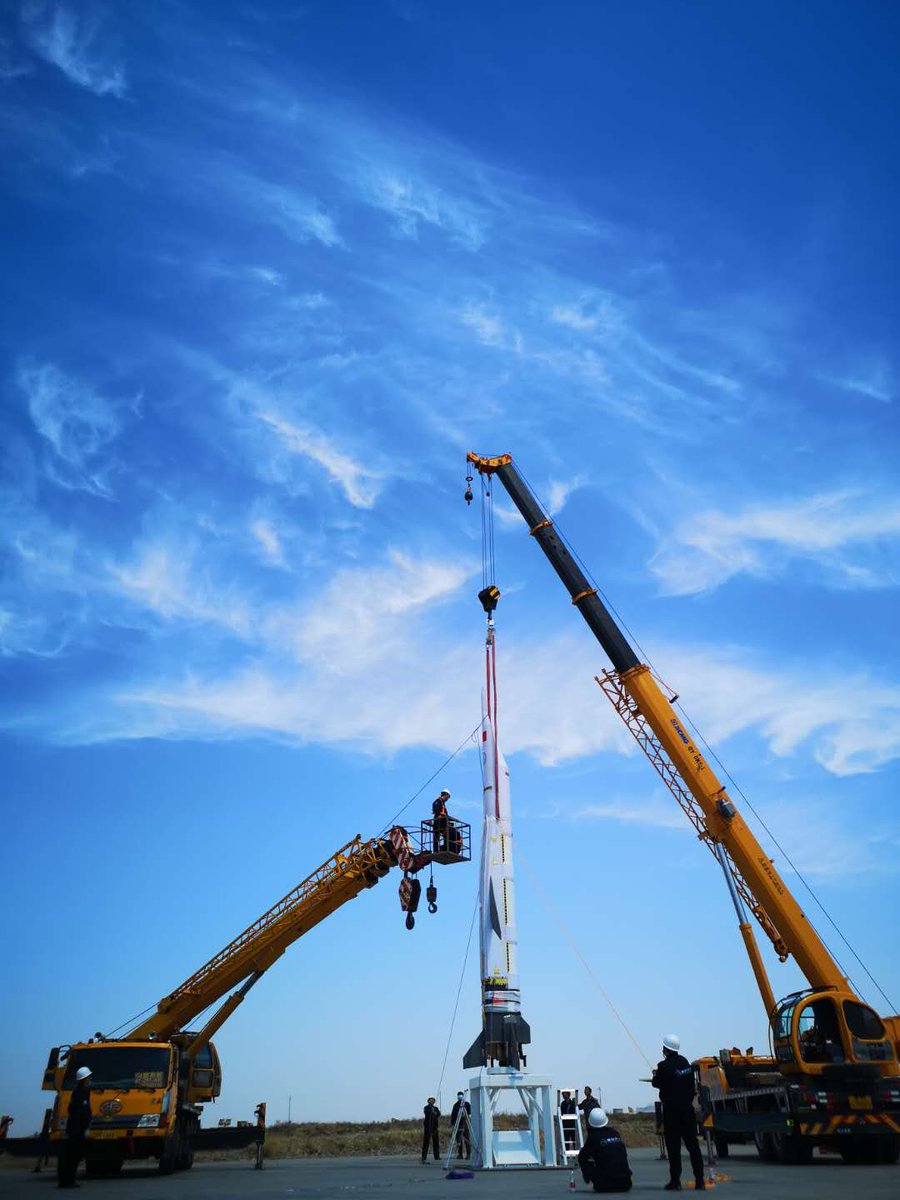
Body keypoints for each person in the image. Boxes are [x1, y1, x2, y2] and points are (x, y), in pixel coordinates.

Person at [651, 1034, 704, 1191]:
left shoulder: (663, 1066)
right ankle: (700, 1181)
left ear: (666, 1049)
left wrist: (655, 1076)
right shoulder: (686, 1063)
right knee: (693, 1146)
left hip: (672, 1111)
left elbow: (656, 1083)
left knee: (674, 1148)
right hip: (687, 1110)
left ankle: (675, 1181)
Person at [578, 1108, 632, 1193]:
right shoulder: (614, 1133)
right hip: (625, 1183)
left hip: (605, 1185)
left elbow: (583, 1157)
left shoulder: (593, 1137)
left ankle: (594, 1179)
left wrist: (588, 1174)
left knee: (583, 1159)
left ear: (590, 1122)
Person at [58, 1065, 92, 1189]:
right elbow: (81, 1111)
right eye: (89, 1077)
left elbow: (72, 1109)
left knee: (73, 1156)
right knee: (73, 1156)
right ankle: (68, 1180)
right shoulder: (81, 1092)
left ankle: (68, 1180)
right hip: (76, 1130)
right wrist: (84, 1127)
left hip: (76, 1128)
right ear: (85, 1079)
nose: (90, 1078)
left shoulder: (80, 1091)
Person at [450, 1090, 471, 1159]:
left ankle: (468, 1154)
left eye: (461, 1095)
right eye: (459, 1095)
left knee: (466, 1138)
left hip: (465, 1123)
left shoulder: (467, 1104)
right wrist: (452, 1123)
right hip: (457, 1124)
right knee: (458, 1140)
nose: (460, 1096)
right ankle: (460, 1154)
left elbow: (470, 1113)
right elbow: (453, 1115)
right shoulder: (455, 1105)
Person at [421, 1097, 441, 1163]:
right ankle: (424, 1157)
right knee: (426, 1142)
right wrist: (431, 1111)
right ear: (428, 1101)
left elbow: (438, 1114)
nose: (432, 1101)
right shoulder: (426, 1107)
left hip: (435, 1127)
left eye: (433, 1100)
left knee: (436, 1142)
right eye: (431, 1100)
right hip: (428, 1127)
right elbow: (426, 1112)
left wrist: (435, 1112)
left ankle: (437, 1156)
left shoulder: (436, 1108)